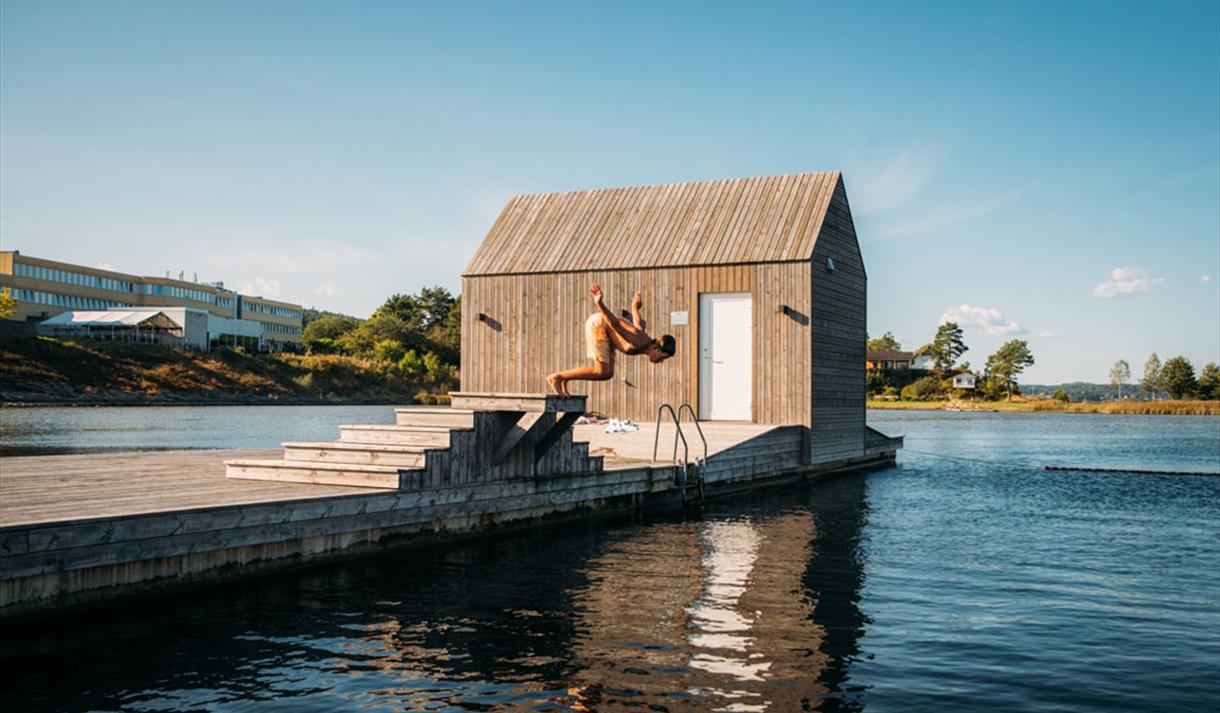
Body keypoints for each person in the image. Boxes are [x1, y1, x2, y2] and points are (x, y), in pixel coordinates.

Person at [547, 283, 675, 397]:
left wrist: (635, 306)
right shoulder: (639, 342)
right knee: (600, 372)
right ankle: (557, 377)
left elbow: (639, 324)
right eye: (662, 357)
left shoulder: (643, 341)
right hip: (599, 324)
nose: (661, 361)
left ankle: (564, 378)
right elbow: (616, 325)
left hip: (607, 331)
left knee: (607, 373)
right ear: (656, 348)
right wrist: (599, 303)